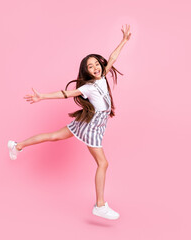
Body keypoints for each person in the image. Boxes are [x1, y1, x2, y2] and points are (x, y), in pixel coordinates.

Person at [8, 24, 131, 220]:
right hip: (92, 127)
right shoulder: (89, 87)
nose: (95, 68)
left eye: (96, 64)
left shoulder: (102, 77)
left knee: (54, 136)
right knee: (103, 163)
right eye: (90, 67)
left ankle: (17, 145)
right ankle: (99, 205)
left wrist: (123, 41)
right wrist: (43, 97)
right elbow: (65, 93)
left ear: (100, 64)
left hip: (93, 122)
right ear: (87, 72)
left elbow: (113, 57)